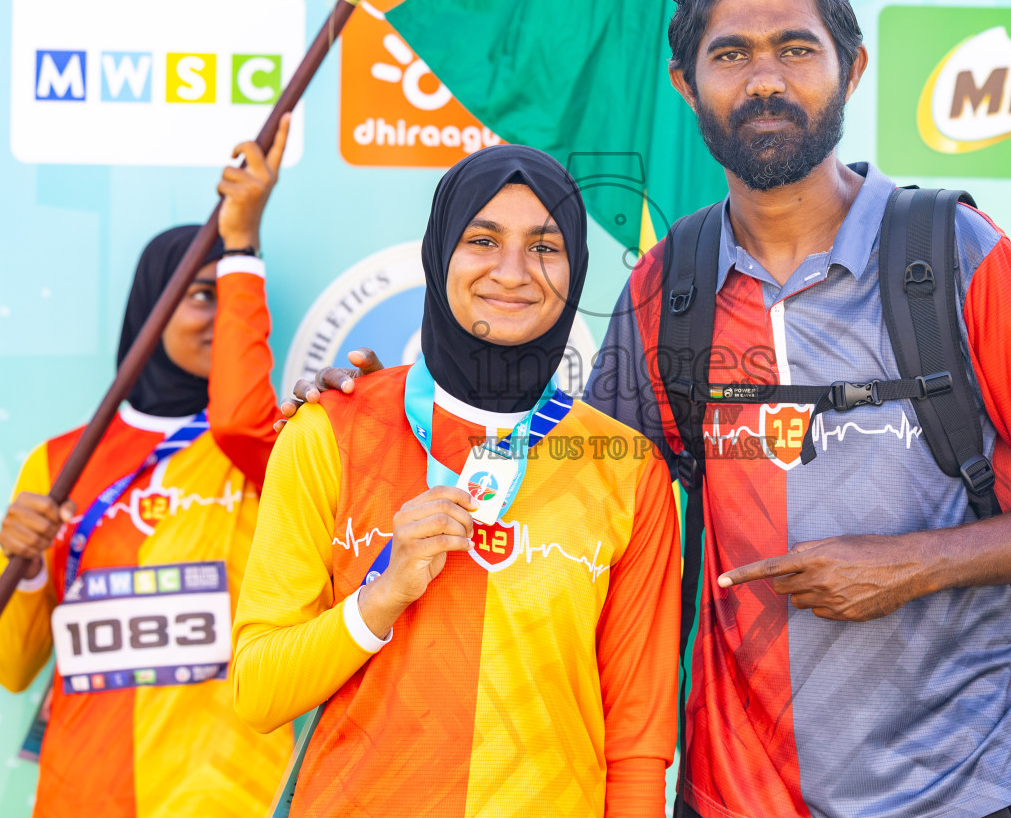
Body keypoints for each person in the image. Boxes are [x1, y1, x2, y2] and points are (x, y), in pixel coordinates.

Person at [289, 0, 1011, 818]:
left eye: (796, 50)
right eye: (731, 54)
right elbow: (564, 476)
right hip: (736, 796)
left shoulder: (951, 254)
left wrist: (909, 565)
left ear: (851, 70)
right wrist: (384, 405)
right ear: (686, 87)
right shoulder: (672, 283)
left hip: (965, 788)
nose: (766, 80)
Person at [230, 145, 679, 818]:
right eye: (482, 239)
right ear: (440, 253)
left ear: (577, 267)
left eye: (545, 247)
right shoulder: (329, 432)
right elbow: (257, 691)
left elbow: (637, 739)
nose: (512, 271)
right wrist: (379, 598)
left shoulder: (625, 467)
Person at [0, 118, 294, 818]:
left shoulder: (262, 450)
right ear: (149, 310)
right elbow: (11, 669)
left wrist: (245, 246)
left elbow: (243, 414)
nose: (221, 315)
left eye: (233, 293)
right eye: (199, 295)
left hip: (230, 797)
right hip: (83, 794)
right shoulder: (60, 460)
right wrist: (25, 568)